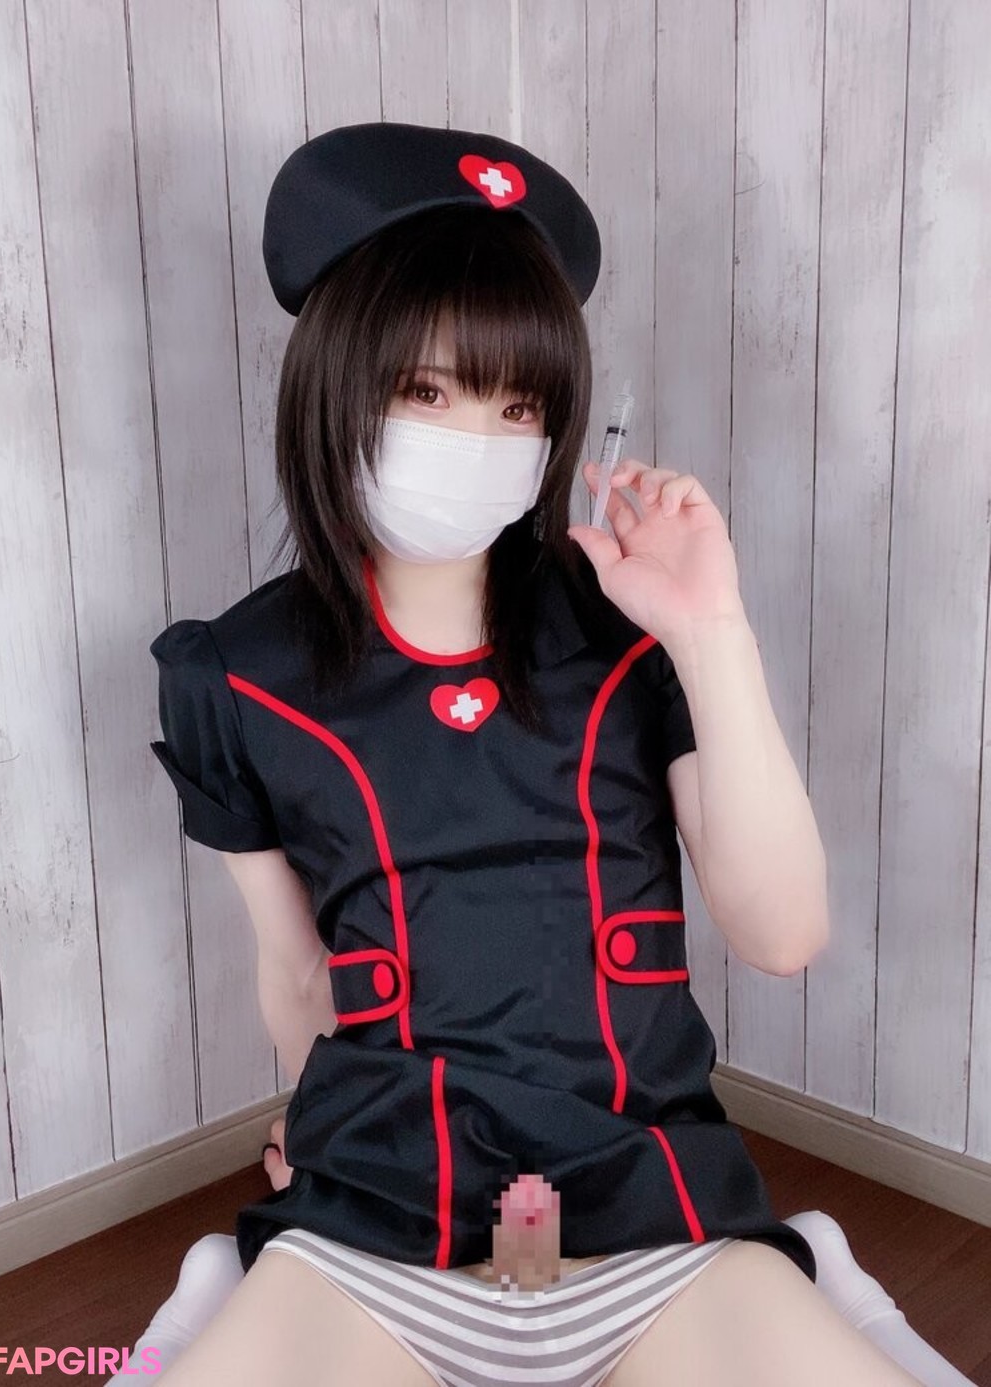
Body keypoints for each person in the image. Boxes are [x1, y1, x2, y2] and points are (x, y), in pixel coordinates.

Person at [143, 122, 950, 1385]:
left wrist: (711, 629)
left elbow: (785, 931)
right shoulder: (235, 675)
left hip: (655, 1216)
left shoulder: (629, 631)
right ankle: (225, 1279)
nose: (478, 437)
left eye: (516, 403)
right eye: (428, 391)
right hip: (373, 1227)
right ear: (336, 383)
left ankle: (816, 1260)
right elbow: (298, 969)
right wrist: (311, 1119)